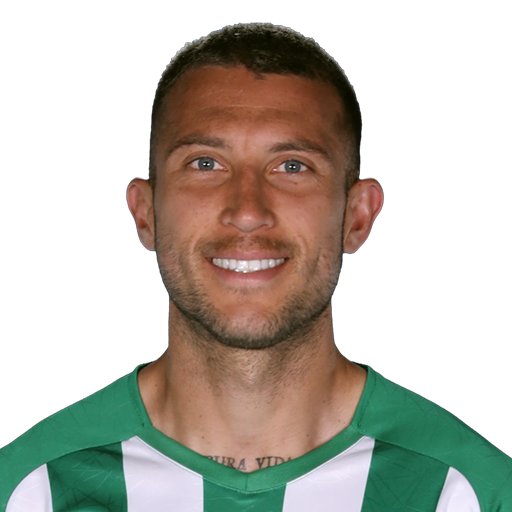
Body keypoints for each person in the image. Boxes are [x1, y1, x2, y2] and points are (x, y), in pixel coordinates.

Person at [2, 22, 511, 512]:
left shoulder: (470, 493)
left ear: (357, 217)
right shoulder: (28, 490)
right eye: (205, 163)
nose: (247, 211)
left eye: (292, 166)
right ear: (146, 213)